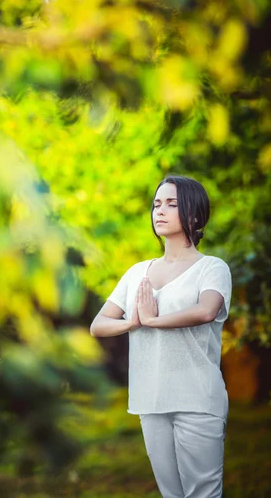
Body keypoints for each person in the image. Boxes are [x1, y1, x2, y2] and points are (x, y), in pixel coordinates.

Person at [90, 174, 232, 498]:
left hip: (197, 398)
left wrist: (153, 320)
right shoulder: (136, 272)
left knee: (203, 493)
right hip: (149, 399)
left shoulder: (212, 268)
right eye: (156, 204)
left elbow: (206, 310)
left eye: (171, 204)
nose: (160, 211)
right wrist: (133, 323)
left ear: (194, 214)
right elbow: (99, 324)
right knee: (172, 495)